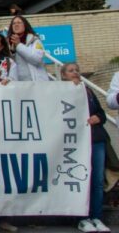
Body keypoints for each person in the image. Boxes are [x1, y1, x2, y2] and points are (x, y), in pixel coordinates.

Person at [62, 64, 110, 233]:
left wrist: (98, 117)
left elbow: (101, 113)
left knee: (97, 180)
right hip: (75, 142)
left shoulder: (87, 91)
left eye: (77, 70)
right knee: (81, 179)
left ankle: (96, 216)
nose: (75, 73)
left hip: (95, 139)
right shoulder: (59, 92)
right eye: (71, 70)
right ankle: (82, 218)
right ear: (63, 76)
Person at [6, 15, 46, 81]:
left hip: (35, 83)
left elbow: (37, 59)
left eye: (19, 23)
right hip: (17, 84)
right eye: (14, 23)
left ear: (25, 25)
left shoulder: (35, 41)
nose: (16, 25)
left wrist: (18, 45)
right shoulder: (8, 43)